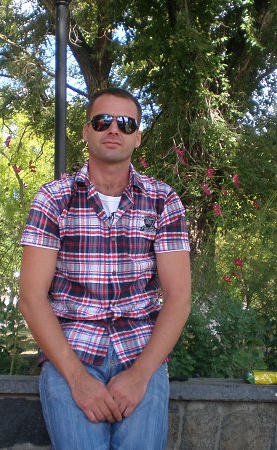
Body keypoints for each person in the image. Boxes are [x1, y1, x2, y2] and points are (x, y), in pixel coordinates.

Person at [18, 87, 191, 450]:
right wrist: (78, 379)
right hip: (72, 353)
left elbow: (178, 298)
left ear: (137, 136)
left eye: (126, 123)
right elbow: (32, 298)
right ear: (86, 131)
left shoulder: (163, 200)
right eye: (102, 121)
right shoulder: (53, 199)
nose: (114, 129)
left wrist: (140, 376)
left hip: (141, 352)